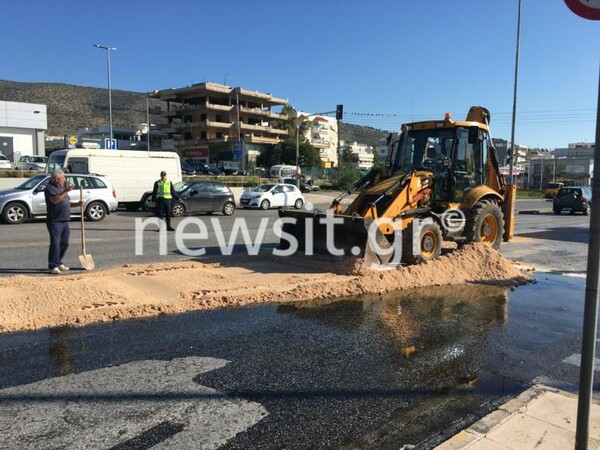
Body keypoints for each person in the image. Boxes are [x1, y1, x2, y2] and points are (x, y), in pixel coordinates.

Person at [45, 170, 83, 275]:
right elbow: (55, 200)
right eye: (63, 178)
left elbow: (66, 201)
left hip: (65, 220)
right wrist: (66, 191)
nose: (64, 180)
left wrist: (77, 204)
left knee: (64, 243)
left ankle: (58, 261)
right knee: (55, 244)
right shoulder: (49, 188)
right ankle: (53, 265)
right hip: (55, 221)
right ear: (56, 179)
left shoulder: (62, 187)